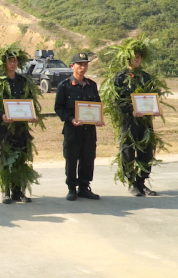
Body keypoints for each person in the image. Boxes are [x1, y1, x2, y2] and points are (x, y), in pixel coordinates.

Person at [0, 44, 44, 204]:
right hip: (3, 127)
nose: (13, 63)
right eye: (10, 61)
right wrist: (1, 115)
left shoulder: (24, 81)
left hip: (21, 127)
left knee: (20, 156)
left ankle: (18, 191)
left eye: (15, 61)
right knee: (4, 157)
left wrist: (33, 116)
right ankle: (5, 191)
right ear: (4, 63)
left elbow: (31, 101)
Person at [101, 38, 166, 197]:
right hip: (129, 121)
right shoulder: (120, 77)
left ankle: (141, 182)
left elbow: (152, 97)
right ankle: (131, 182)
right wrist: (131, 110)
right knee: (128, 152)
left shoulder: (146, 77)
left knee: (146, 151)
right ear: (127, 58)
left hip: (145, 121)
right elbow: (116, 102)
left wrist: (155, 109)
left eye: (139, 57)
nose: (136, 60)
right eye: (133, 57)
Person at [54, 53, 104, 202]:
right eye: (80, 64)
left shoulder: (91, 85)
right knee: (71, 159)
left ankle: (84, 187)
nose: (83, 67)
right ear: (72, 66)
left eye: (85, 64)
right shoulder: (64, 86)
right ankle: (71, 188)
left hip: (89, 130)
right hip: (72, 130)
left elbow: (97, 105)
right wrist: (71, 119)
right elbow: (59, 107)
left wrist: (99, 119)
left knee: (88, 158)